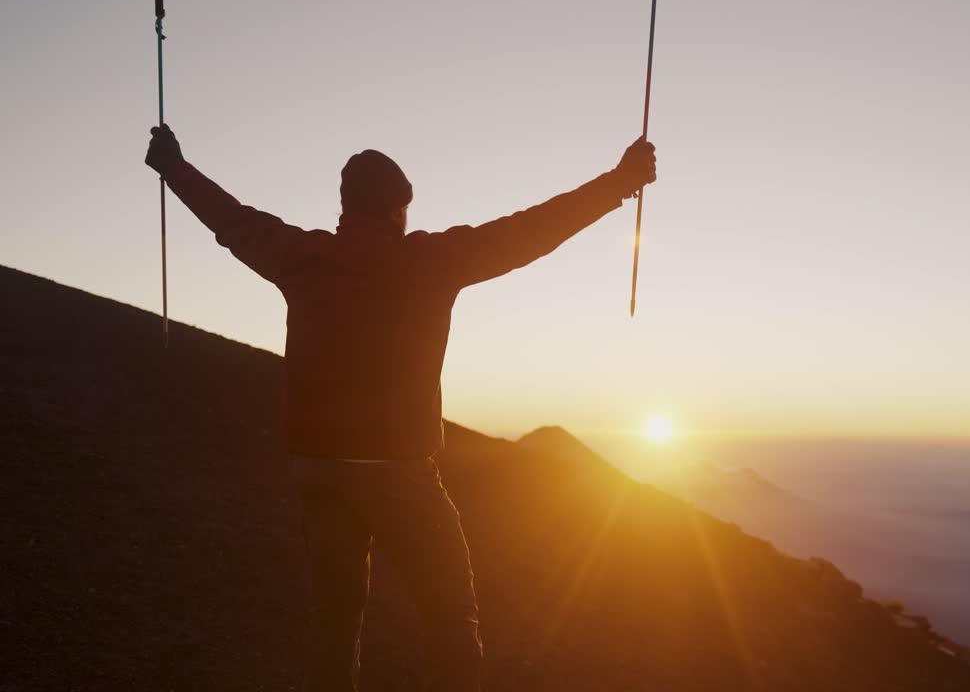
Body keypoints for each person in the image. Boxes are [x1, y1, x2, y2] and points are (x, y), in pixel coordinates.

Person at [144, 126, 657, 691]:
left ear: (346, 206)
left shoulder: (302, 256)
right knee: (450, 618)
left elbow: (232, 220)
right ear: (396, 210)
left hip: (318, 468)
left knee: (334, 620)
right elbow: (529, 231)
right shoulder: (430, 260)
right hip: (398, 473)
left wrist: (175, 167)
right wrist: (618, 183)